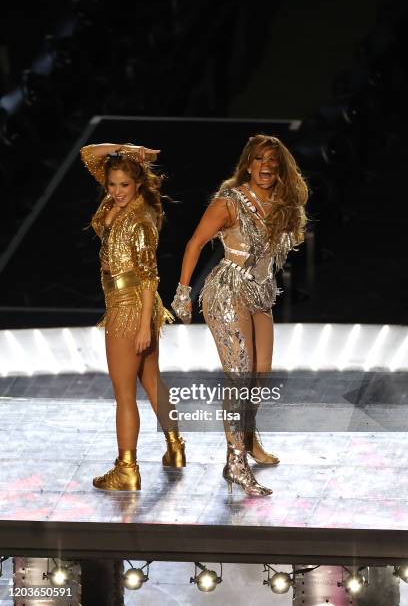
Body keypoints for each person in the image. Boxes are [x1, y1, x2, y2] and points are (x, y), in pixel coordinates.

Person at [172, 134, 308, 496]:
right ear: (248, 164)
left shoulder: (281, 202)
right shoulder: (229, 202)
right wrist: (183, 294)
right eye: (259, 160)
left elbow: (290, 241)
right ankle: (235, 464)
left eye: (272, 161)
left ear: (279, 167)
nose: (265, 167)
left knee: (260, 374)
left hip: (261, 292)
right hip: (228, 290)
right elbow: (194, 244)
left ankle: (247, 441)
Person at [81, 142, 185, 491]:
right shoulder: (118, 206)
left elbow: (150, 275)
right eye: (112, 185)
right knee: (152, 380)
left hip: (129, 310)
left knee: (124, 394)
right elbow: (89, 155)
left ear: (138, 183)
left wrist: (143, 327)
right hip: (131, 305)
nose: (116, 191)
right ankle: (175, 448)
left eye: (124, 185)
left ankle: (126, 468)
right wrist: (125, 150)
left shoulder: (139, 219)